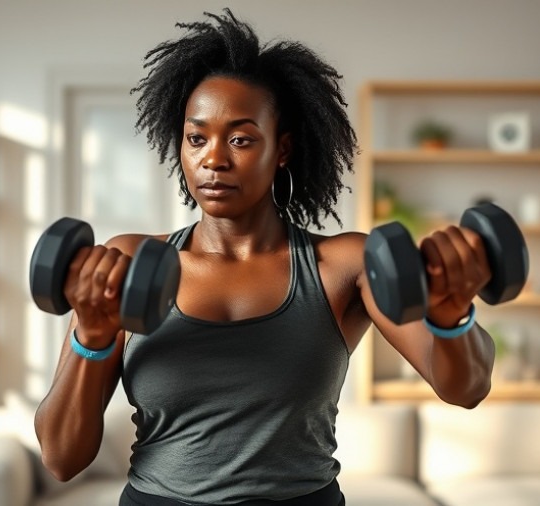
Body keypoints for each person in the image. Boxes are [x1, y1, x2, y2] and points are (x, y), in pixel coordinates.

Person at [35, 8, 495, 505]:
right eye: (196, 138)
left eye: (240, 138)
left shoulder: (344, 266)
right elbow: (62, 458)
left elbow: (465, 389)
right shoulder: (128, 262)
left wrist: (451, 317)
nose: (214, 158)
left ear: (282, 149)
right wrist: (93, 335)